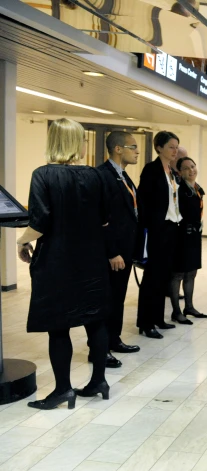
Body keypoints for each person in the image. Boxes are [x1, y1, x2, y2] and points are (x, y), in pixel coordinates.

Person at [18, 118, 112, 410]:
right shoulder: (96, 176)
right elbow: (105, 219)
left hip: (57, 261)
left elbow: (40, 221)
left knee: (58, 326)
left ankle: (63, 390)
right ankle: (99, 381)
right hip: (92, 260)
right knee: (95, 320)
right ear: (78, 143)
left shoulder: (43, 175)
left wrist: (22, 241)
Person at [95, 131, 142, 369]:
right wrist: (112, 251)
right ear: (118, 149)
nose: (137, 152)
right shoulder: (103, 176)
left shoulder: (123, 176)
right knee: (107, 300)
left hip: (126, 250)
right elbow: (102, 219)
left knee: (118, 298)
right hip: (112, 253)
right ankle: (99, 350)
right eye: (133, 147)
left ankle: (114, 340)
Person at [136, 131, 182, 339]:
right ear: (159, 148)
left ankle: (158, 318)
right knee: (152, 278)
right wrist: (149, 228)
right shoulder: (151, 170)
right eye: (171, 146)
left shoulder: (171, 172)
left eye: (176, 147)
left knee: (164, 277)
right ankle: (146, 322)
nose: (175, 151)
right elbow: (144, 202)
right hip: (157, 230)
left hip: (172, 228)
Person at [169, 157, 207, 324]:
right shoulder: (178, 190)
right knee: (178, 273)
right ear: (179, 172)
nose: (191, 170)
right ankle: (176, 311)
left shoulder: (197, 189)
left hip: (194, 237)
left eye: (192, 166)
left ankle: (189, 306)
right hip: (181, 237)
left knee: (191, 272)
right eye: (186, 168)